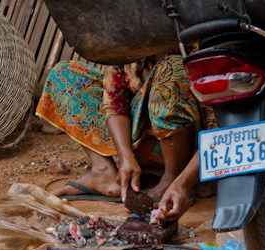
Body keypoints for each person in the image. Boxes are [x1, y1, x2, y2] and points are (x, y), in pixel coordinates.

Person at [35, 52, 202, 222]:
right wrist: (125, 157)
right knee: (63, 75)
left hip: (185, 148)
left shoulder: (192, 46)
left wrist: (184, 183)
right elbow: (114, 103)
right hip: (135, 143)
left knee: (171, 68)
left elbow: (220, 129)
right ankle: (103, 171)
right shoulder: (125, 43)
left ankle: (172, 177)